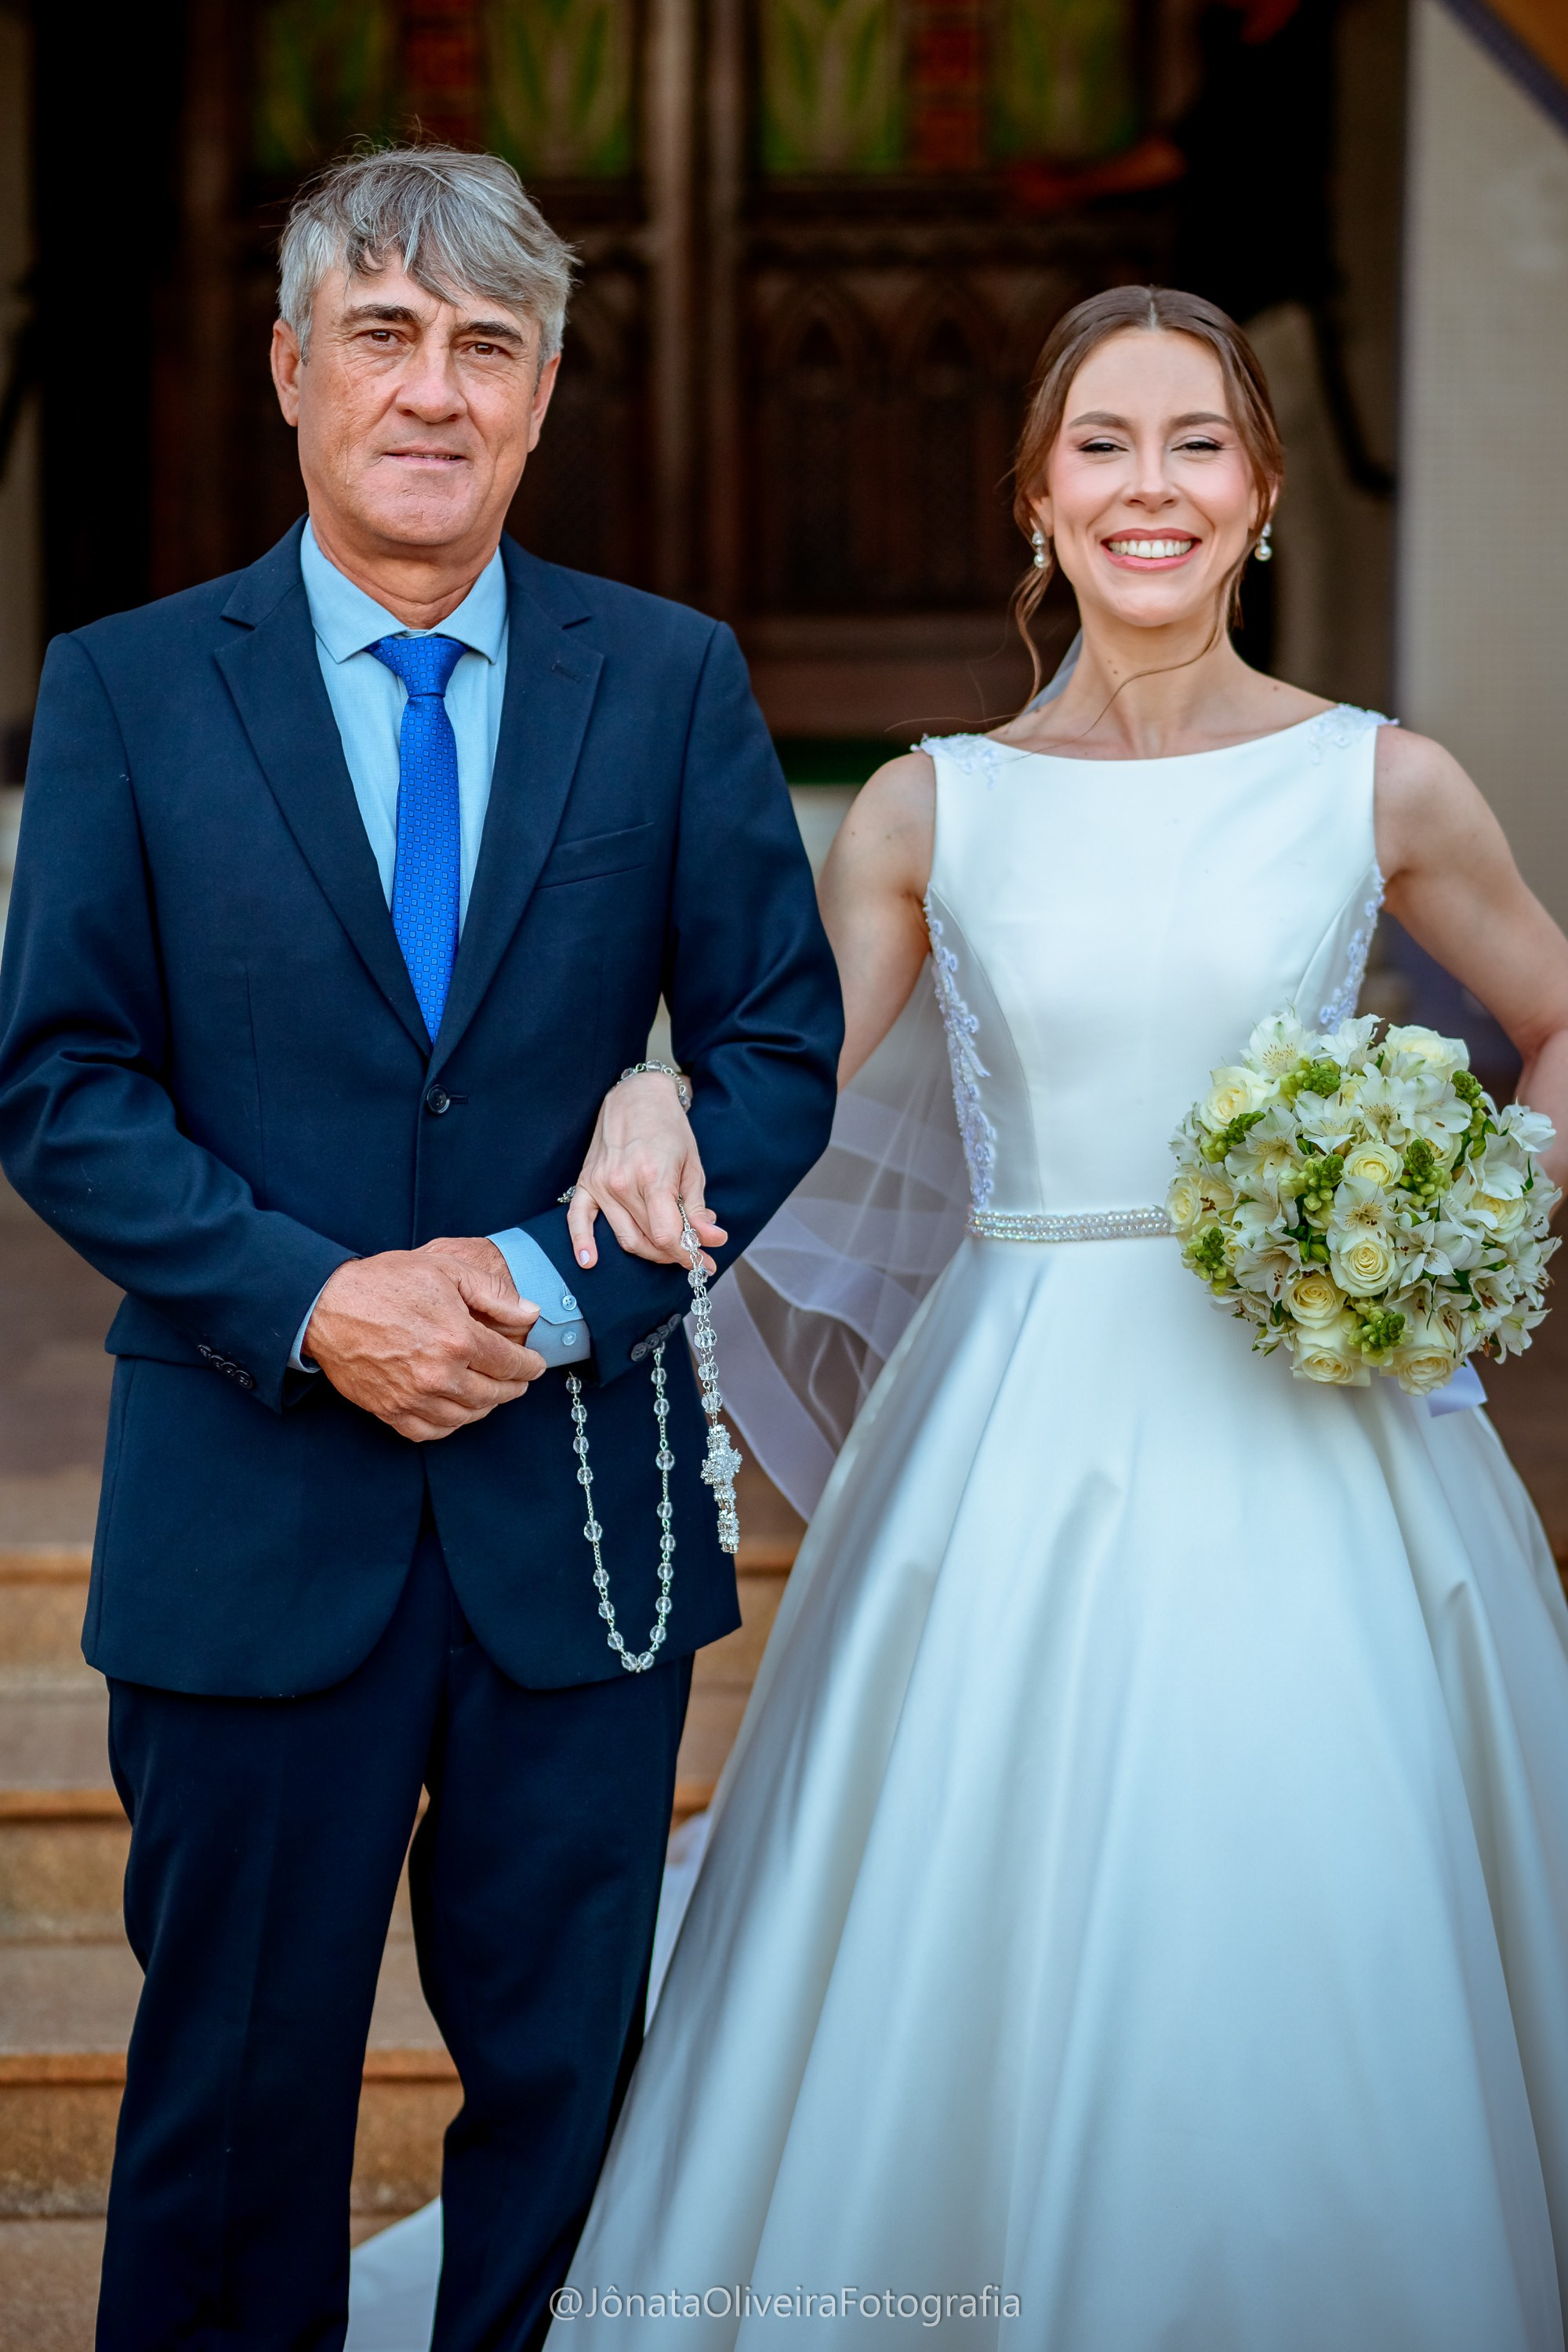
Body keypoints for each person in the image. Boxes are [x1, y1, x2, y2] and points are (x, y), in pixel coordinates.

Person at [543, 288, 1568, 2346]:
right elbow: (784, 1081)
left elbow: (1554, 1020)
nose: (1152, 487)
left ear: (1263, 494)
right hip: (1019, 1426)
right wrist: (655, 1080)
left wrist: (1480, 1198)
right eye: (1104, 443)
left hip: (1327, 1424)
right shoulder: (936, 811)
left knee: (1323, 1900)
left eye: (1198, 442)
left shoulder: (1384, 784)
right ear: (1036, 497)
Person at [0, 145, 840, 2351]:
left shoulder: (666, 683)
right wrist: (316, 1302)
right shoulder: (126, 689)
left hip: (574, 1539)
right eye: (384, 333)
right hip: (251, 1526)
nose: (435, 390)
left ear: (546, 395)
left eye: (490, 344)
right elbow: (64, 1083)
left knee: (570, 2105)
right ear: (293, 370)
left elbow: (772, 1052)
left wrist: (559, 1298)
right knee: (225, 2119)